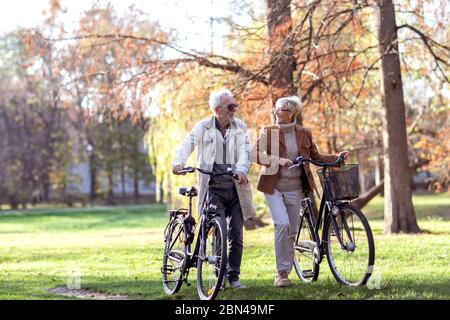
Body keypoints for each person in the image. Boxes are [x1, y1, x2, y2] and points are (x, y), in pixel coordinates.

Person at [252, 96, 349, 287]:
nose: (276, 112)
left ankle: (285, 272)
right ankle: (281, 275)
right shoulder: (269, 132)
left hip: (295, 187)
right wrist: (277, 160)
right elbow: (253, 154)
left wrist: (336, 157)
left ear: (291, 113)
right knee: (282, 225)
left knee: (291, 231)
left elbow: (315, 156)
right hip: (273, 187)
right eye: (276, 109)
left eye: (280, 109)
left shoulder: (304, 133)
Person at [172, 88, 255, 289]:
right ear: (218, 109)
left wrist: (242, 169)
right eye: (231, 106)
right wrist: (178, 162)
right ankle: (219, 275)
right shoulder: (203, 126)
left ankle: (233, 276)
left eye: (235, 105)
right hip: (212, 187)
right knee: (218, 230)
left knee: (237, 234)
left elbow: (245, 152)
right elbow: (187, 144)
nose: (235, 109)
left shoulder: (240, 126)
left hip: (235, 187)